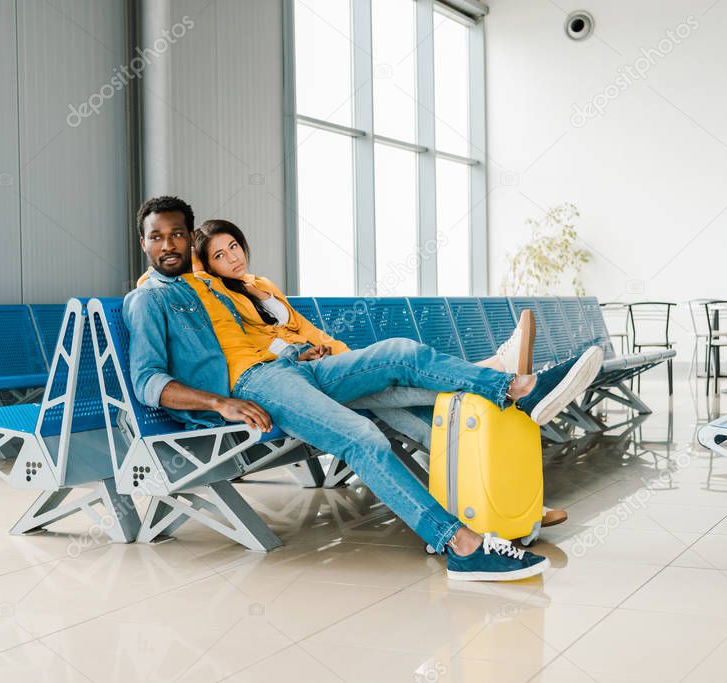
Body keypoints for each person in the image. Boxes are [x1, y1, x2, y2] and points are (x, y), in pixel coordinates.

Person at [124, 196, 603, 581]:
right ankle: (460, 545)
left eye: (177, 234)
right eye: (156, 237)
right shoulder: (148, 299)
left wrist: (302, 350)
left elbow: (261, 322)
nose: (167, 244)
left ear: (189, 239)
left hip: (290, 367)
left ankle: (510, 387)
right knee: (363, 435)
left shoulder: (205, 285)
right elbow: (148, 381)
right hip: (255, 387)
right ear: (142, 243)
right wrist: (219, 402)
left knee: (400, 354)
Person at [187, 218, 568, 527]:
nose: (232, 258)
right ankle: (502, 377)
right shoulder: (217, 294)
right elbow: (254, 342)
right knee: (424, 385)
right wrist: (296, 353)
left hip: (325, 367)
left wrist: (332, 351)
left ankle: (513, 498)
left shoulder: (261, 285)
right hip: (290, 381)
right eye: (219, 256)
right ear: (207, 265)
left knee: (424, 419)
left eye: (233, 246)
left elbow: (306, 328)